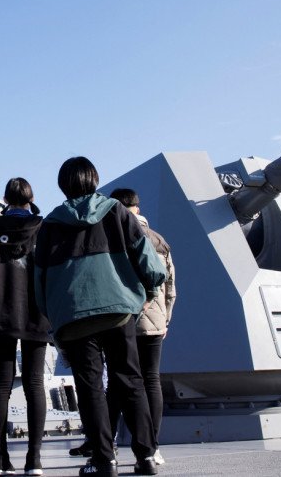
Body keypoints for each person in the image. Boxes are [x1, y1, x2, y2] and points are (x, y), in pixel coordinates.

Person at [34, 157, 166, 477]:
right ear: (95, 179)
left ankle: (104, 461)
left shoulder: (50, 224)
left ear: (63, 185)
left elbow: (39, 282)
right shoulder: (117, 211)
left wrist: (53, 318)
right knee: (130, 380)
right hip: (119, 311)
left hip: (74, 316)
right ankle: (146, 457)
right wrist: (147, 294)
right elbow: (152, 265)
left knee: (90, 387)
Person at [0, 178, 51, 476]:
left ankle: (0, 459)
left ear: (5, 198)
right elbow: (50, 272)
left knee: (1, 385)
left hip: (0, 316)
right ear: (31, 198)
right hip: (36, 315)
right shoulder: (44, 228)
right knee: (34, 384)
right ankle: (35, 459)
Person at [107, 189, 176, 466]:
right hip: (155, 322)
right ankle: (152, 446)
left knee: (115, 382)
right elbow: (170, 288)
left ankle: (108, 445)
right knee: (151, 380)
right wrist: (166, 320)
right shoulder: (159, 241)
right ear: (137, 207)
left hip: (120, 321)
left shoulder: (112, 237)